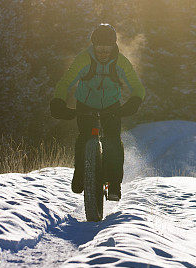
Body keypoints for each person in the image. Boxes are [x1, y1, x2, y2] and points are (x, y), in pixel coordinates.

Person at [49, 23, 145, 200]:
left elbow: (137, 87)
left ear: (113, 46)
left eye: (107, 49)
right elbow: (65, 82)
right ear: (93, 46)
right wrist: (58, 101)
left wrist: (134, 101)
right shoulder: (83, 59)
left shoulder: (121, 62)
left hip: (111, 105)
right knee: (85, 138)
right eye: (99, 49)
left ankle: (114, 185)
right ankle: (80, 173)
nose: (103, 53)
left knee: (113, 141)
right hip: (86, 104)